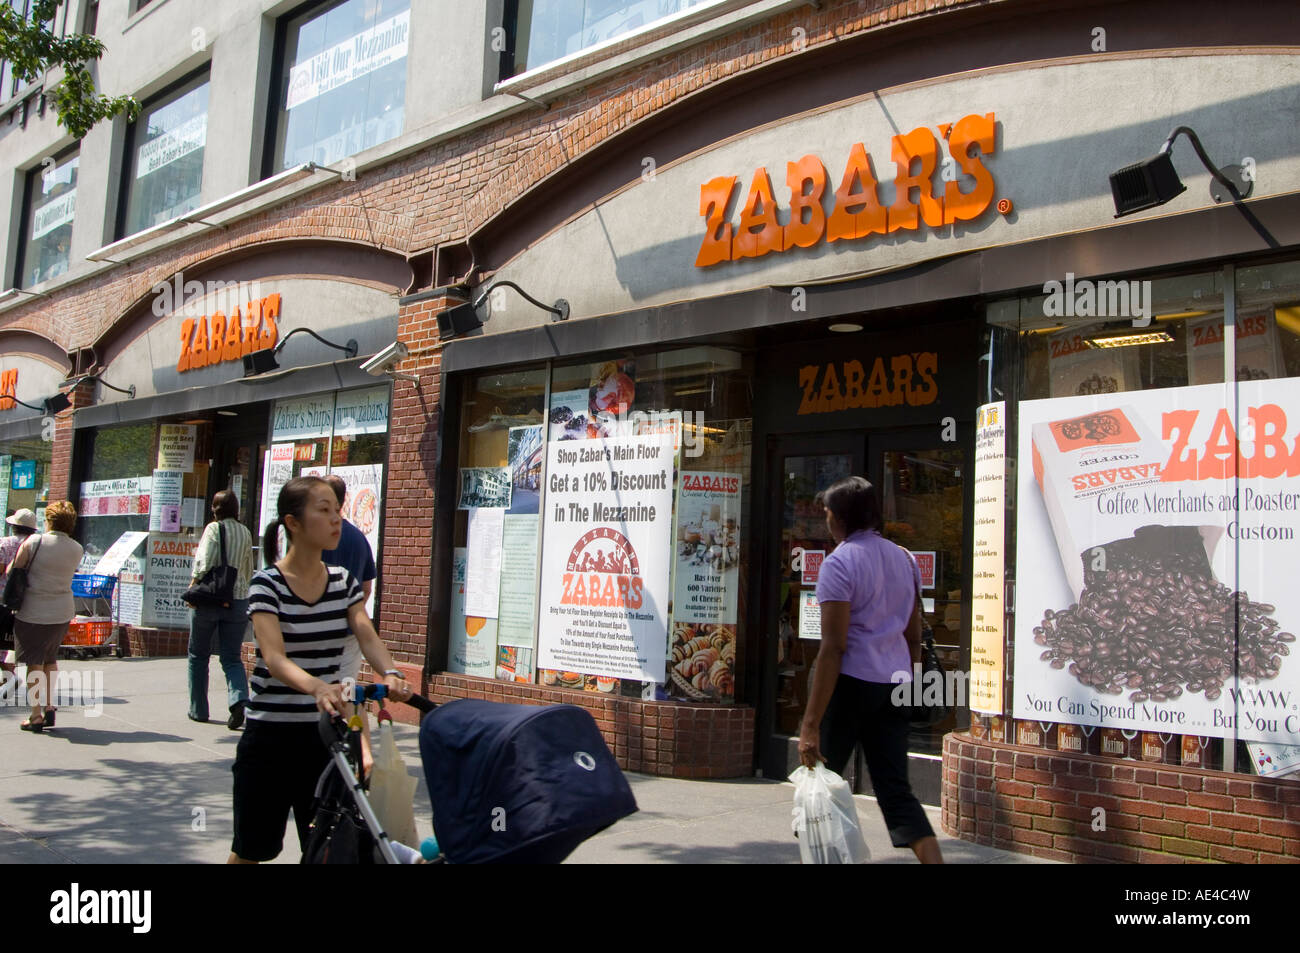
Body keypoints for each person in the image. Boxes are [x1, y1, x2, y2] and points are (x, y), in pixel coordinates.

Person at [229, 476, 409, 864]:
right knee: (251, 851)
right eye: (323, 511)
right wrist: (317, 688)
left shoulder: (343, 581)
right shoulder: (267, 585)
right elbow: (274, 658)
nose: (336, 520)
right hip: (270, 740)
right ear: (293, 523)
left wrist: (390, 672)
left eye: (338, 511)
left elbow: (365, 632)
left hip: (326, 742)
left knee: (329, 850)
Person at [797, 476, 943, 864]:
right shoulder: (905, 559)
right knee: (897, 792)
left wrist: (810, 723)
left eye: (827, 511)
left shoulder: (838, 564)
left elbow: (834, 647)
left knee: (819, 787)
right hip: (894, 685)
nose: (825, 518)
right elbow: (913, 637)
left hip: (849, 686)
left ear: (839, 517)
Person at [12, 502, 83, 732]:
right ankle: (49, 706)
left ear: (49, 520)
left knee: (34, 662)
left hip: (33, 610)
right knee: (50, 659)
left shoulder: (34, 542)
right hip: (61, 611)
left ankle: (35, 716)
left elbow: (13, 569)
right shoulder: (76, 548)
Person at [187, 490, 254, 728]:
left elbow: (204, 562)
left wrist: (193, 586)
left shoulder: (214, 529)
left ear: (215, 508)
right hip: (237, 600)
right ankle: (239, 700)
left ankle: (198, 709)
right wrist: (241, 591)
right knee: (232, 657)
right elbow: (247, 568)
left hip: (210, 599)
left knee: (198, 655)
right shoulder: (245, 532)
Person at [319, 474, 377, 685]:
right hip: (349, 633)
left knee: (320, 694)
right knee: (347, 690)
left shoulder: (313, 536)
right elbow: (367, 587)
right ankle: (346, 714)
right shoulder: (359, 538)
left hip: (318, 632)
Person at [0, 509, 39, 698]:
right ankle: (8, 676)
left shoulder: (4, 543)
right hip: (27, 599)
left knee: (1, 638)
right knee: (13, 640)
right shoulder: (36, 545)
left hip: (3, 598)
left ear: (13, 526)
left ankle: (9, 676)